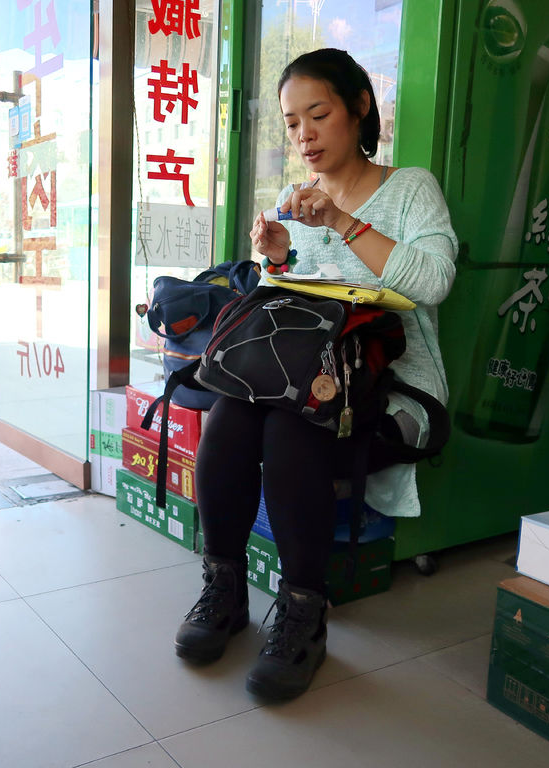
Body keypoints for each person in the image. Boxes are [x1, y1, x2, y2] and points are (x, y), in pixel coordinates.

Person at [173, 48, 458, 702]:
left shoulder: (411, 187)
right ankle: (224, 588)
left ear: (359, 108)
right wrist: (275, 258)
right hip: (303, 373)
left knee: (294, 423)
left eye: (318, 114)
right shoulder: (292, 201)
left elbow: (434, 283)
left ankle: (304, 611)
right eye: (291, 121)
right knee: (234, 413)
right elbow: (286, 309)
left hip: (392, 385)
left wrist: (341, 220)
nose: (303, 134)